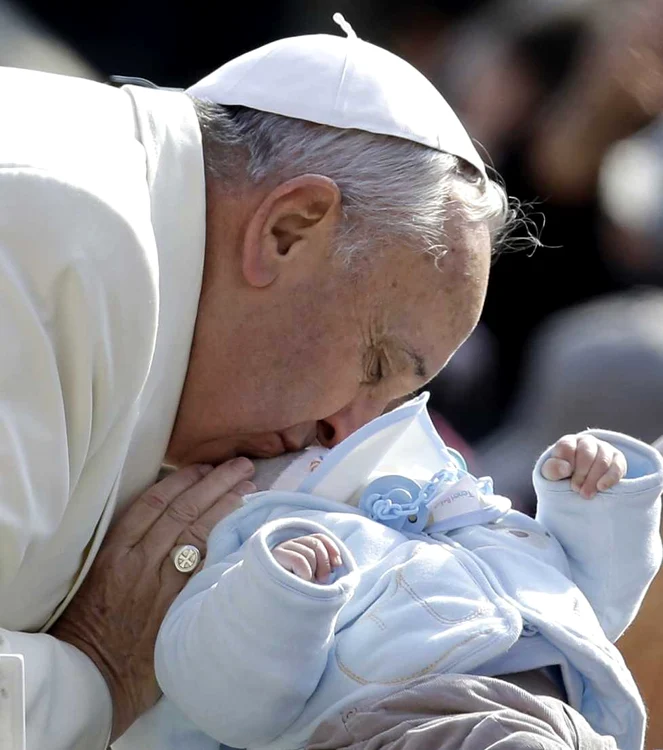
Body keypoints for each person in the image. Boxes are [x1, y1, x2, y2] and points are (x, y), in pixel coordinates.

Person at [0, 14, 511, 749]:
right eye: (374, 366)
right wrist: (100, 672)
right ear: (290, 229)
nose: (345, 434)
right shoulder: (45, 243)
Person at [144, 395, 662, 750]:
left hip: (569, 728)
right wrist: (277, 597)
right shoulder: (292, 545)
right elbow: (219, 699)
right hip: (404, 724)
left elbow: (597, 608)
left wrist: (595, 496)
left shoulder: (478, 523)